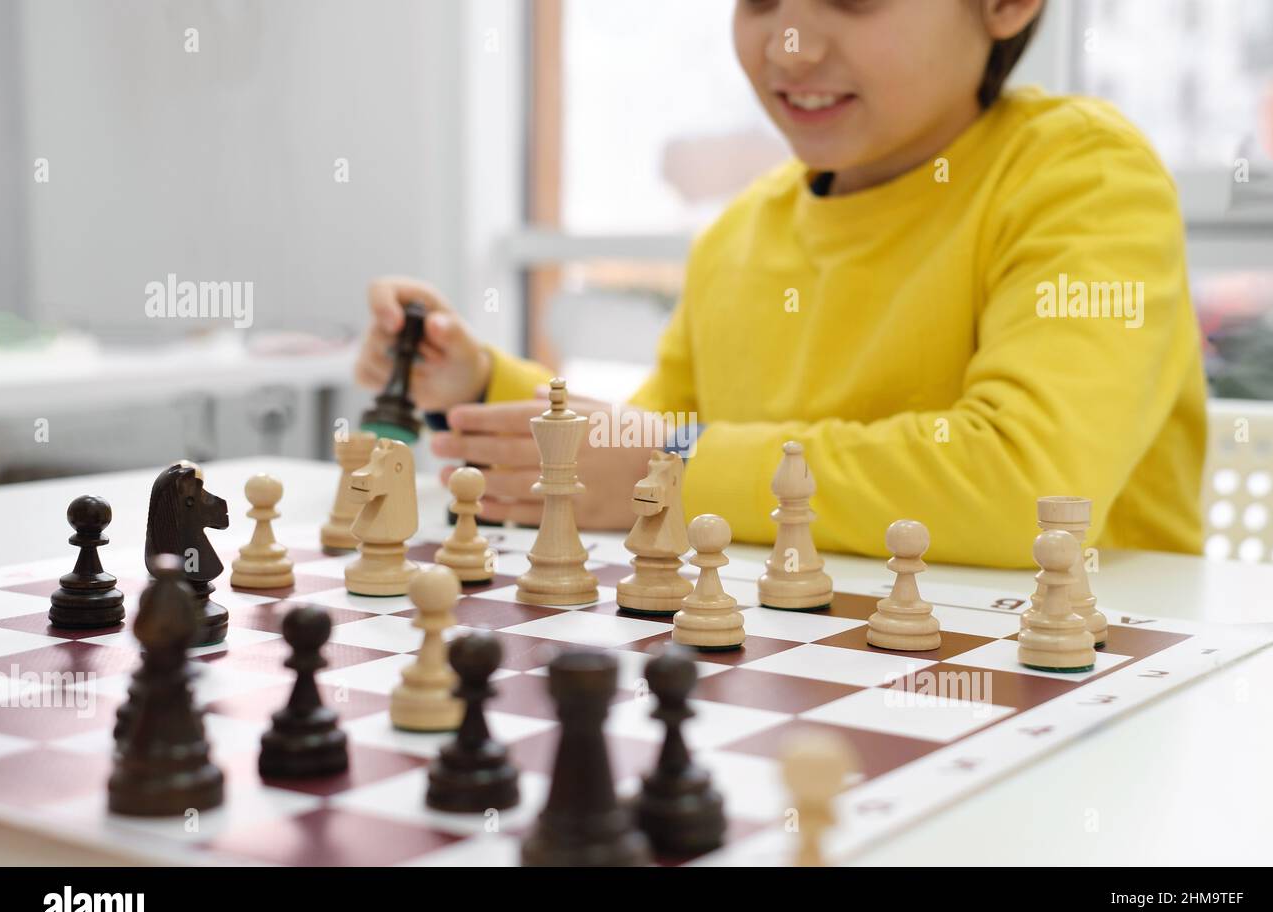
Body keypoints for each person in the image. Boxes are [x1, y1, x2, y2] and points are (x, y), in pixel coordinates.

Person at [355, 0, 1205, 568]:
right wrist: (478, 386)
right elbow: (658, 442)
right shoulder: (740, 234)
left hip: (1089, 690)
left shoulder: (1085, 178)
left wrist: (668, 467)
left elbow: (1031, 487)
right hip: (817, 677)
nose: (787, 43)